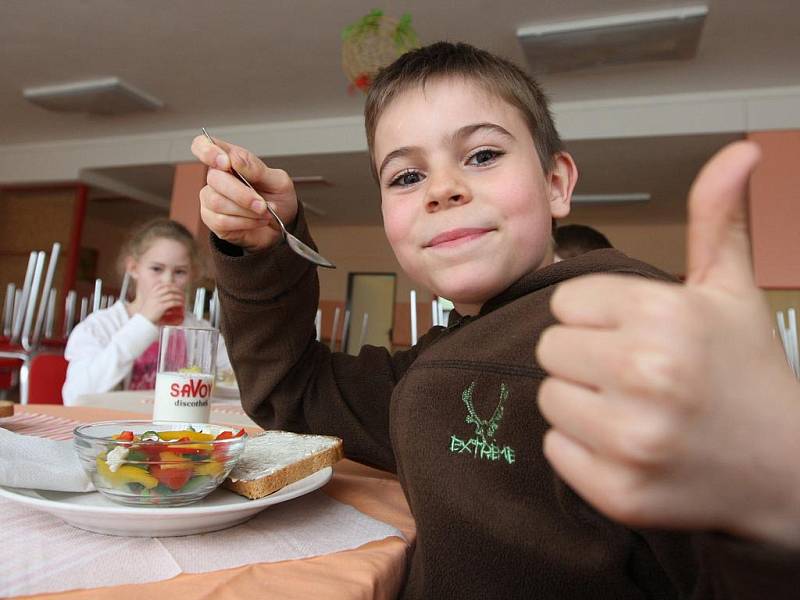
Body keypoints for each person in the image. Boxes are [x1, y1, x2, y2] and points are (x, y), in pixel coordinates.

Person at [191, 42, 800, 599]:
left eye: (482, 155)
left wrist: (775, 505)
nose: (443, 188)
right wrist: (267, 248)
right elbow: (293, 392)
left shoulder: (629, 335)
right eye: (406, 176)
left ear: (556, 183)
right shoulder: (437, 359)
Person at [62, 218, 230, 406]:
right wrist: (144, 323)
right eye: (157, 269)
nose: (168, 280)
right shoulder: (99, 326)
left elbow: (236, 380)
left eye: (180, 272)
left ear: (192, 274)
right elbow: (76, 396)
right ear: (133, 268)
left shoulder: (198, 330)